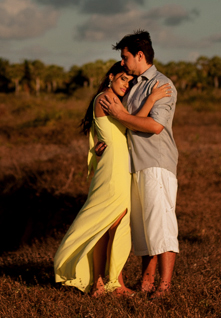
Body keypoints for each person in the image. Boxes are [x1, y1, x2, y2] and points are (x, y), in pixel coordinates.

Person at [54, 62, 172, 297]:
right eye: (122, 79)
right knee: (113, 223)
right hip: (113, 170)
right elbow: (131, 122)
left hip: (116, 166)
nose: (126, 85)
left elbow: (121, 126)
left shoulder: (109, 98)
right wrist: (151, 99)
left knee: (107, 224)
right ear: (111, 77)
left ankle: (102, 283)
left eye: (129, 81)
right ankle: (112, 284)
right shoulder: (106, 99)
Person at [98, 30, 180, 298]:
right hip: (133, 164)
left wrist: (121, 115)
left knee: (162, 224)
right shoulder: (133, 84)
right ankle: (146, 281)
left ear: (140, 55)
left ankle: (164, 286)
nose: (122, 63)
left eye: (125, 57)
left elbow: (155, 126)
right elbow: (125, 124)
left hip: (156, 162)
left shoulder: (161, 84)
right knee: (144, 228)